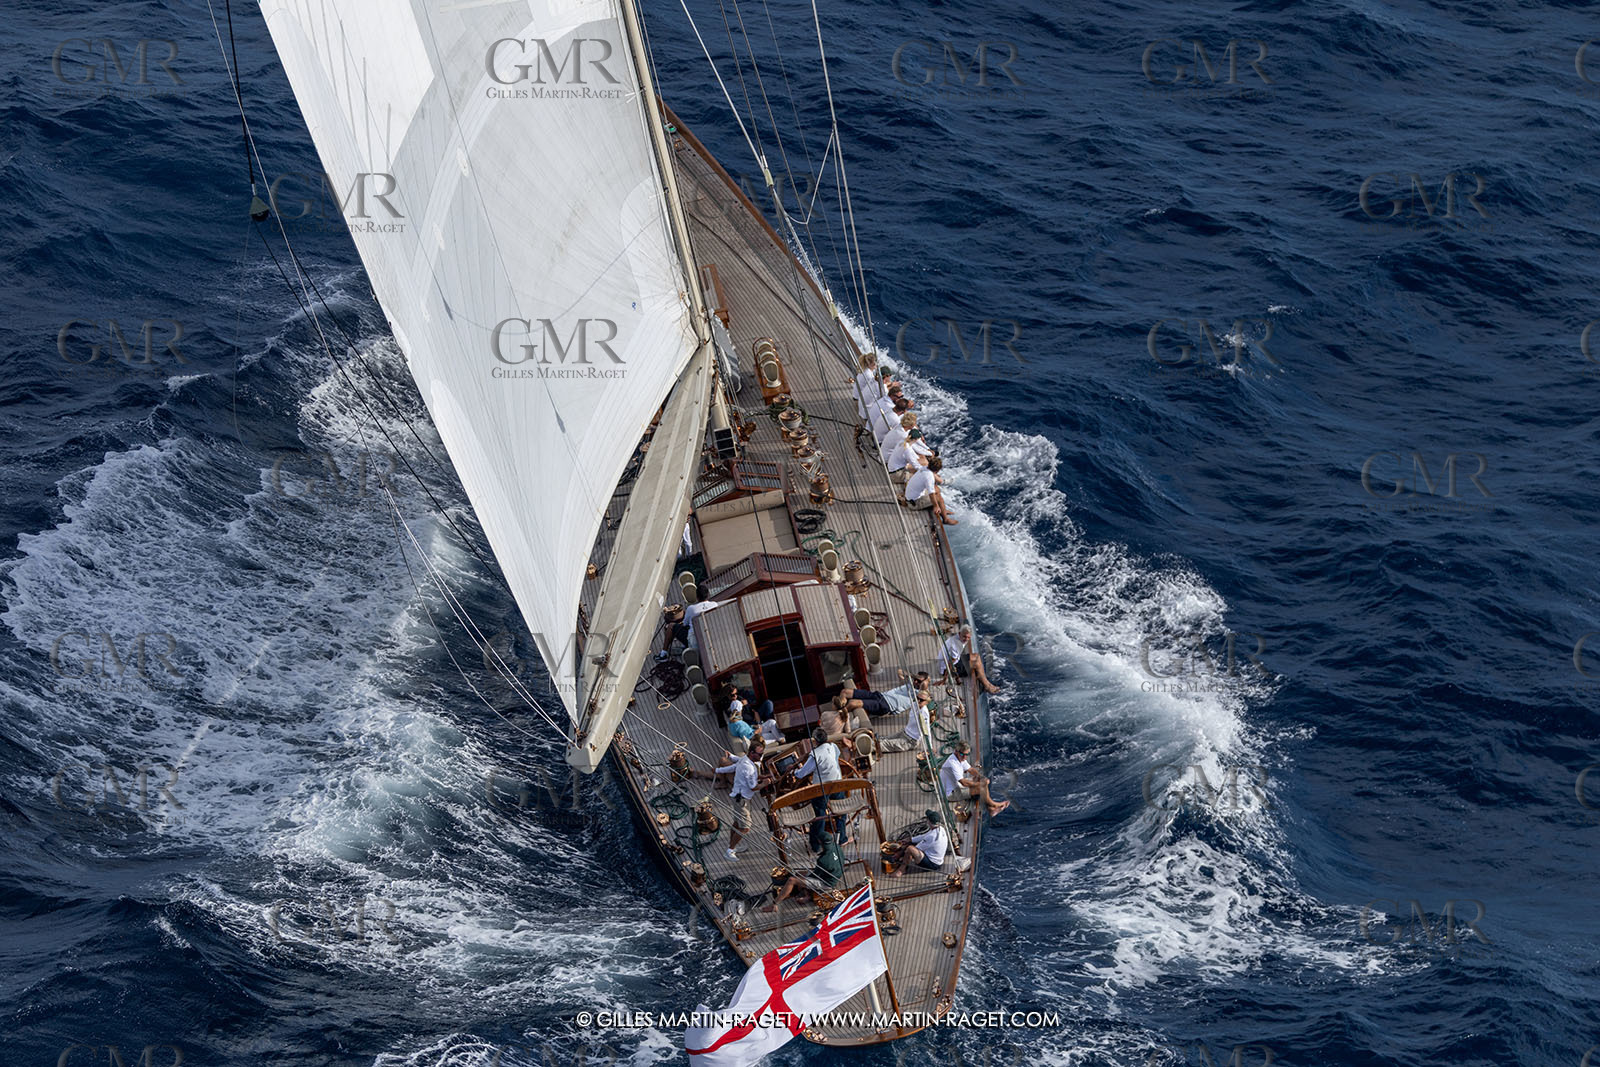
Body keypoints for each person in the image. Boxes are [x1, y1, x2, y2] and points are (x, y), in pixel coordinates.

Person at [712, 738, 765, 860]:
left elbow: (735, 764)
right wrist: (766, 782)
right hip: (741, 800)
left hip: (739, 798)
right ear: (752, 753)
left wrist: (723, 764)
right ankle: (729, 850)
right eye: (760, 754)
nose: (761, 757)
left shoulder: (745, 760)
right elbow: (753, 787)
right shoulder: (749, 767)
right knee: (745, 827)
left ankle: (733, 846)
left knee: (737, 823)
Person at [940, 740, 1010, 816]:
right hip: (949, 793)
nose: (964, 757)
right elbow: (964, 782)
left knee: (980, 782)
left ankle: (991, 808)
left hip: (956, 785)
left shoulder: (960, 758)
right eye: (962, 754)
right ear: (956, 751)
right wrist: (980, 784)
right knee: (980, 788)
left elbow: (971, 770)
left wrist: (982, 778)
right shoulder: (952, 763)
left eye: (967, 754)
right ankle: (994, 805)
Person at [795, 726, 844, 815]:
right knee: (840, 812)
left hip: (822, 789)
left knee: (819, 814)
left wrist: (794, 771)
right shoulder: (833, 746)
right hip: (838, 784)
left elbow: (801, 774)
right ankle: (840, 829)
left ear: (815, 741)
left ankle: (820, 828)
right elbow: (833, 759)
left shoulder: (815, 754)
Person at [937, 624, 998, 694]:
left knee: (976, 656)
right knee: (976, 664)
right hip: (945, 669)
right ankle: (987, 685)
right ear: (959, 633)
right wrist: (944, 679)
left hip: (954, 661)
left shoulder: (956, 638)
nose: (966, 639)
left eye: (968, 637)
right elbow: (950, 664)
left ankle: (981, 677)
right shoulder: (956, 646)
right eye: (964, 637)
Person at [888, 810, 950, 877]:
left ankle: (901, 870)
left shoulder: (932, 836)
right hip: (937, 860)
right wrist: (910, 839)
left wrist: (900, 852)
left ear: (929, 821)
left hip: (933, 865)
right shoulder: (940, 829)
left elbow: (916, 848)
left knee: (910, 849)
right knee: (910, 844)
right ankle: (901, 860)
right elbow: (924, 836)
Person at [905, 456, 956, 526]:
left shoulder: (924, 468)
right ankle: (945, 519)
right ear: (937, 470)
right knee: (939, 499)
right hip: (914, 503)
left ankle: (943, 510)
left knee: (937, 490)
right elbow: (931, 494)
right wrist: (936, 506)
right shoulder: (929, 476)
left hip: (910, 496)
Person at [879, 688, 932, 753]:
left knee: (882, 744)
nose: (918, 701)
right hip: (904, 733)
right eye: (917, 698)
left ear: (927, 702)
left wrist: (930, 748)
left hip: (910, 741)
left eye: (921, 700)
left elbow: (927, 730)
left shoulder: (924, 712)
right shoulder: (914, 704)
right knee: (881, 739)